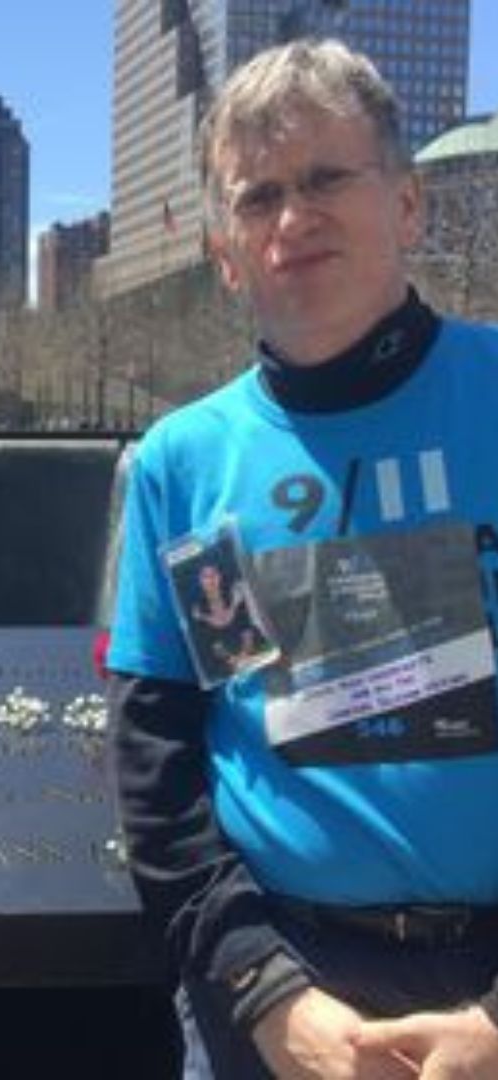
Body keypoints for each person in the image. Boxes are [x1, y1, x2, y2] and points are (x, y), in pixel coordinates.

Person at [107, 38, 498, 1079]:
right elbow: (162, 765)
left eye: (328, 177)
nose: (294, 216)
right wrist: (266, 994)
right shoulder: (183, 469)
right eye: (258, 196)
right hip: (276, 994)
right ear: (226, 253)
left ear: (409, 206)